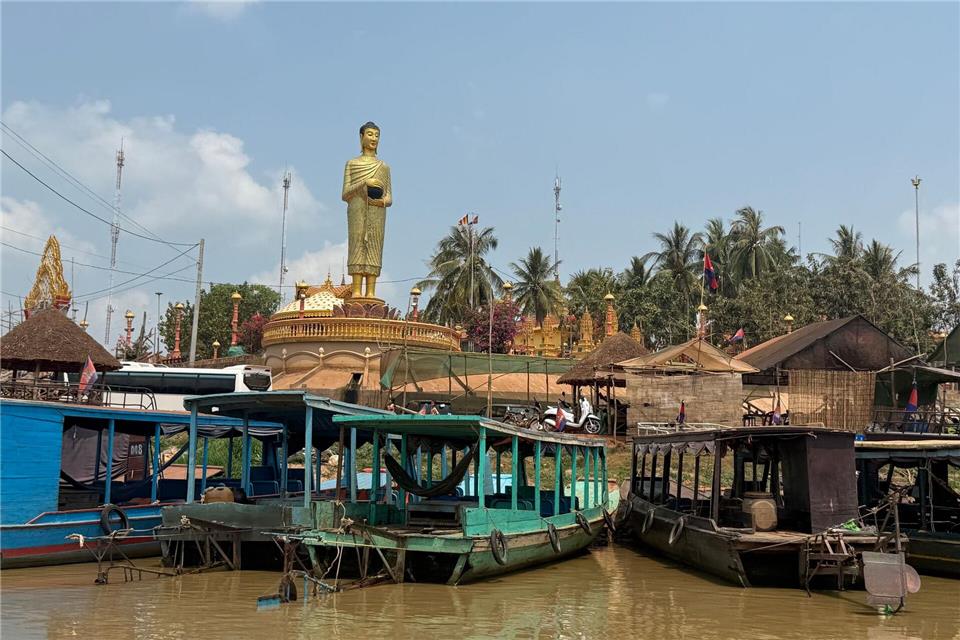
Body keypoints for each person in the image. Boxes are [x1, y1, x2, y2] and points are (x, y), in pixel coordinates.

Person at [342, 122, 392, 299]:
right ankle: (356, 291)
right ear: (361, 136)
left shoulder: (383, 167)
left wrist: (380, 202)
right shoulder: (352, 164)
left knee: (374, 247)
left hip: (377, 212)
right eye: (370, 134)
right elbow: (345, 193)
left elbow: (389, 198)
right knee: (357, 245)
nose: (374, 139)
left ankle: (371, 292)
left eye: (377, 135)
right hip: (356, 209)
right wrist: (365, 184)